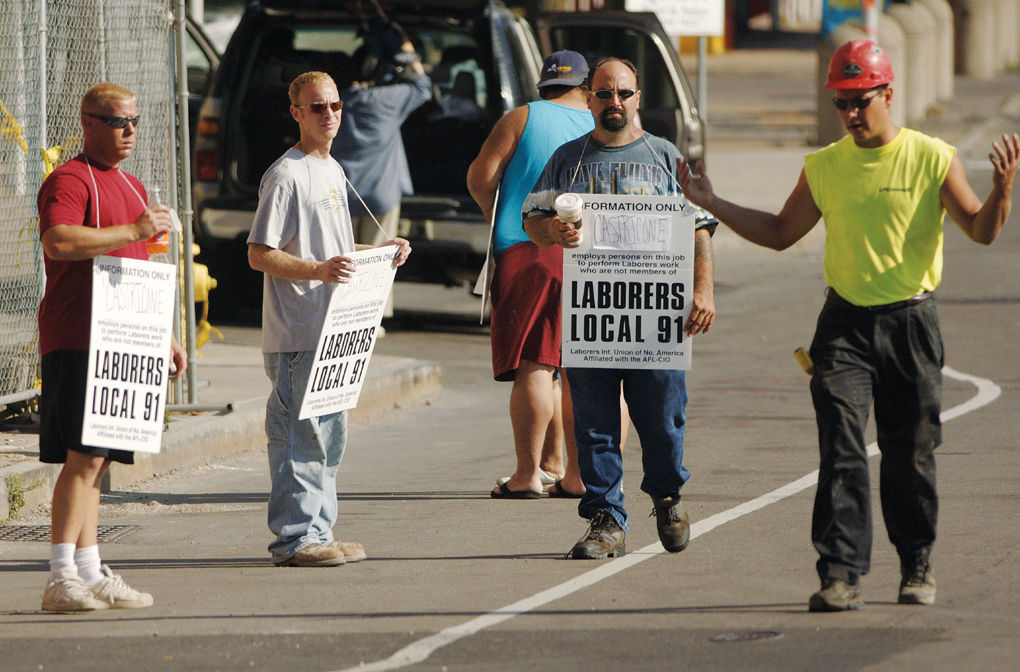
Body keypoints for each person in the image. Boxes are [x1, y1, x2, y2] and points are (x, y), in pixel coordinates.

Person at [676, 39, 1019, 611]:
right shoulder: (825, 166)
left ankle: (916, 564)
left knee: (910, 452)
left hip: (911, 322)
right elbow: (782, 231)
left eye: (861, 100)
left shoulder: (932, 157)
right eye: (841, 102)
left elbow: (981, 231)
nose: (851, 113)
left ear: (888, 93)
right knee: (841, 447)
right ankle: (839, 572)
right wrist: (715, 203)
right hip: (843, 328)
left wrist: (1003, 191)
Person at [523, 57, 717, 559]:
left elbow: (700, 227)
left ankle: (668, 495)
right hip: (591, 318)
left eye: (624, 94)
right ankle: (606, 519)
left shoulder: (666, 156)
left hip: (657, 320)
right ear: (589, 98)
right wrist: (553, 232)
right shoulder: (569, 158)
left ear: (637, 96)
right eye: (605, 94)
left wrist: (704, 291)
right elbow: (532, 218)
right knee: (594, 425)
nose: (615, 103)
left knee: (664, 418)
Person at [248, 71, 412, 567]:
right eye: (317, 107)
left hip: (337, 331)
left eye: (335, 106)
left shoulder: (333, 170)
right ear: (296, 113)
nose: (329, 115)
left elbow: (337, 249)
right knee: (301, 439)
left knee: (330, 441)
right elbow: (259, 253)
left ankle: (320, 531)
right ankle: (297, 540)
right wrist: (318, 271)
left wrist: (378, 252)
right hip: (298, 332)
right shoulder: (286, 175)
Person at [36, 83, 188, 612]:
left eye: (135, 121)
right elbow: (58, 240)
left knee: (101, 462)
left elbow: (136, 262)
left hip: (125, 337)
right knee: (82, 458)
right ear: (89, 123)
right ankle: (59, 576)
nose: (130, 131)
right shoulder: (71, 179)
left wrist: (162, 335)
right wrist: (134, 226)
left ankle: (89, 568)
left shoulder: (132, 184)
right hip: (79, 335)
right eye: (118, 121)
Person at [466, 50, 595, 500]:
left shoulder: (521, 117)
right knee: (577, 366)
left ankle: (527, 475)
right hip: (590, 253)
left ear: (544, 86)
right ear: (585, 85)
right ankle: (572, 471)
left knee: (535, 365)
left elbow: (480, 177)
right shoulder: (605, 120)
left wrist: (496, 215)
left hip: (527, 247)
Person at [330, 36, 430, 325]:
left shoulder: (332, 105)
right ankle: (371, 317)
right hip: (381, 193)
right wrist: (407, 51)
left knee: (342, 254)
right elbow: (423, 87)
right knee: (378, 256)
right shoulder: (388, 99)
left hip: (341, 195)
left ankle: (339, 313)